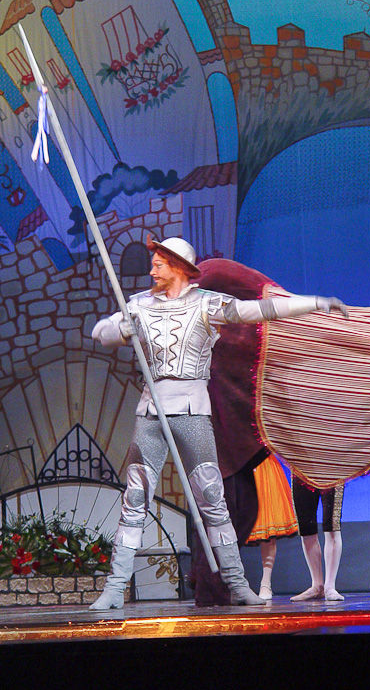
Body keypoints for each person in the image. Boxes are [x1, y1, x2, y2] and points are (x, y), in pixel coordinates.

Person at [88, 236, 347, 610]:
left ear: (178, 268)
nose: (152, 270)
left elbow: (260, 310)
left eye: (159, 264)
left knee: (213, 500)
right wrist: (116, 329)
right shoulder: (139, 305)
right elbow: (102, 334)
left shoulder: (207, 304)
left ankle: (237, 585)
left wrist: (316, 303)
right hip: (151, 414)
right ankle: (115, 587)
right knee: (135, 499)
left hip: (193, 412)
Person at [245, 454, 298, 600]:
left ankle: (266, 582)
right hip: (239, 463)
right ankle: (235, 582)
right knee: (233, 529)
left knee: (269, 526)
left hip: (264, 464)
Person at [290, 476, 345, 602]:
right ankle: (317, 585)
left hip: (331, 469)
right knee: (306, 526)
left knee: (332, 524)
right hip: (301, 470)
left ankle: (330, 586)